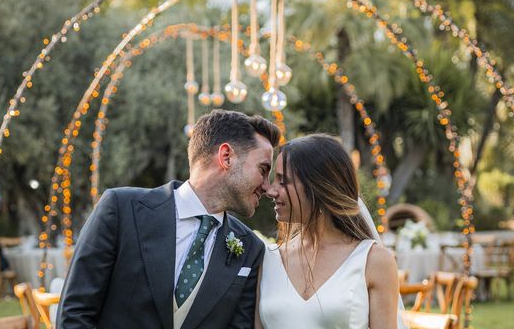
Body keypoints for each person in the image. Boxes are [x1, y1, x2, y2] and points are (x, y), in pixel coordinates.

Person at [57, 109, 281, 329]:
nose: (267, 187)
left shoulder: (250, 250)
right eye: (263, 169)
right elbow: (75, 313)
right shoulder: (121, 209)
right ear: (226, 157)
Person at [257, 134, 404, 329]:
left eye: (283, 181)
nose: (271, 191)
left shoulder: (373, 260)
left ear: (318, 186)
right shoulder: (268, 260)